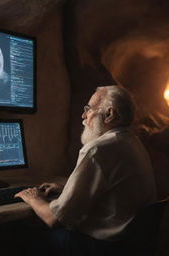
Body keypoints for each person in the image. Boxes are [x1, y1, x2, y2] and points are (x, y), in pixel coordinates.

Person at [15, 85, 157, 256]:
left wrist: (33, 198)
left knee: (25, 236)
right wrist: (67, 188)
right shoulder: (132, 141)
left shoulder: (98, 149)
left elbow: (54, 219)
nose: (83, 116)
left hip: (103, 248)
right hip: (130, 246)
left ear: (109, 114)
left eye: (89, 109)